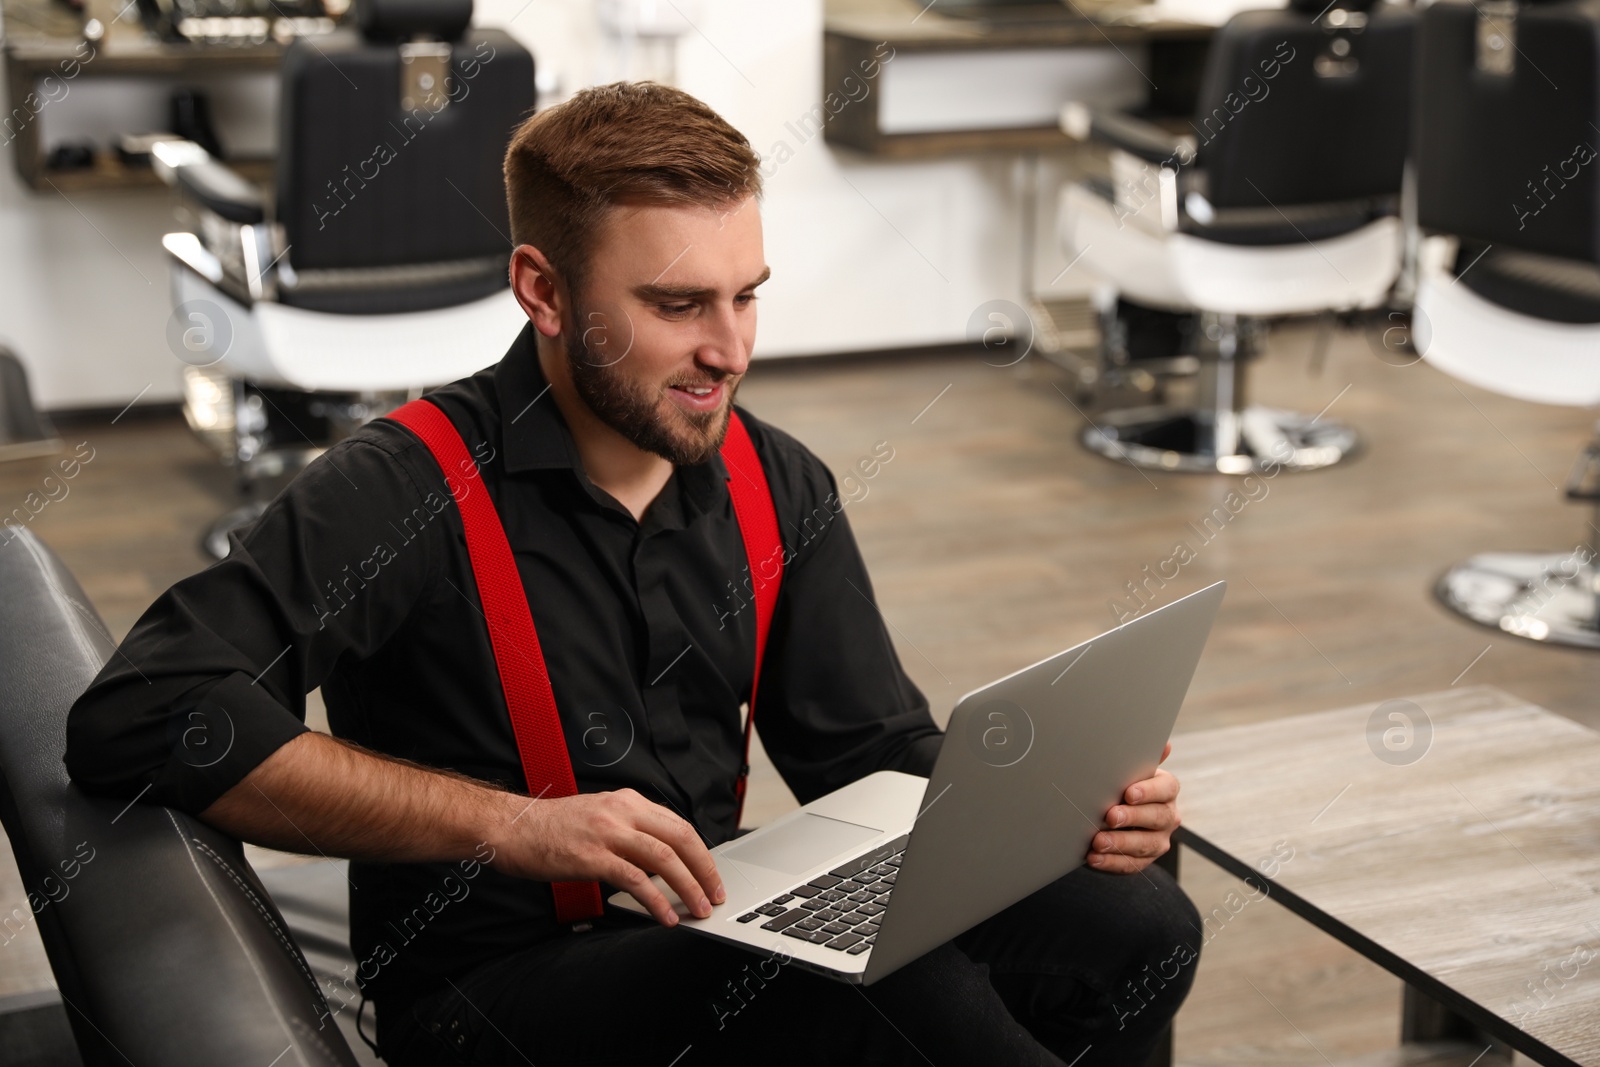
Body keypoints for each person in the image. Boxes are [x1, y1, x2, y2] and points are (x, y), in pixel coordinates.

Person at [65, 82, 1199, 1066]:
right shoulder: (403, 486)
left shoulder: (776, 481)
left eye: (745, 293)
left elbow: (862, 750)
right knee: (891, 986)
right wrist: (508, 825)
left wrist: (1055, 800)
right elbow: (144, 711)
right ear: (543, 290)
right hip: (487, 994)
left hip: (709, 922)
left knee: (1139, 918)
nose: (731, 348)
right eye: (676, 305)